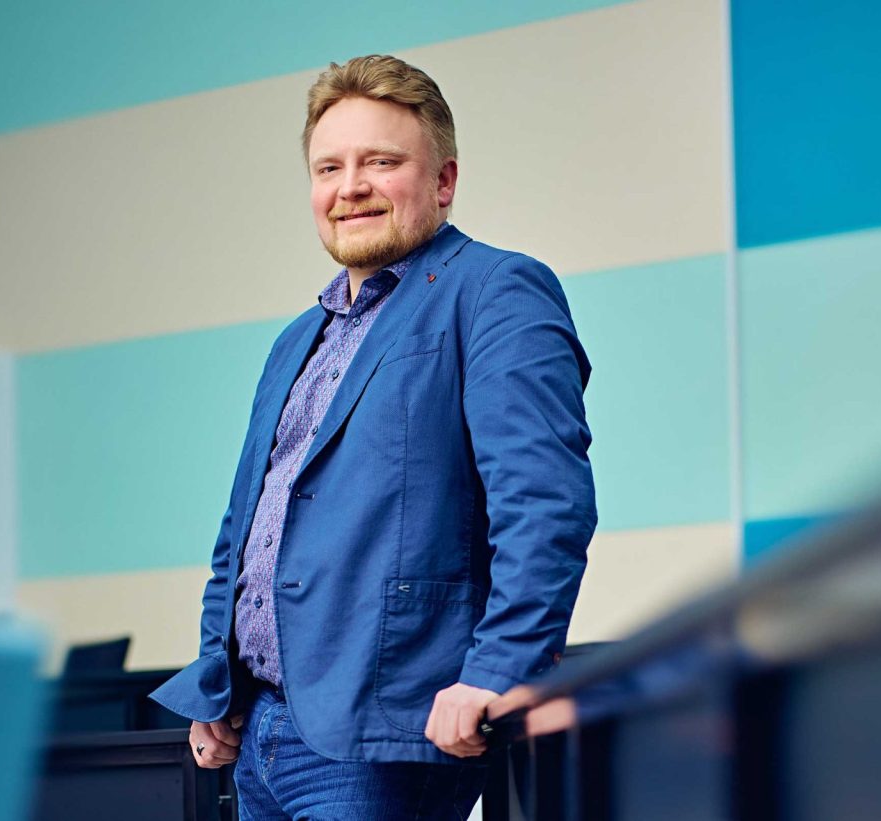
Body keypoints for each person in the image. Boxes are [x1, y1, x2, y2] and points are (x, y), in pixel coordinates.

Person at [150, 54, 597, 820]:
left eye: (381, 162)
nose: (349, 186)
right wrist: (214, 674)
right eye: (330, 167)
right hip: (258, 732)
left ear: (443, 181)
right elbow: (248, 525)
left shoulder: (495, 291)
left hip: (383, 738)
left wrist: (497, 669)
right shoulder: (299, 339)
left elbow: (543, 504)